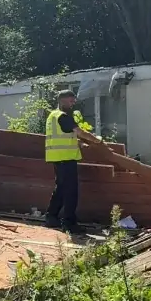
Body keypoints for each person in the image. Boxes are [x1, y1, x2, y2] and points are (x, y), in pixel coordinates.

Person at [44, 89, 98, 232]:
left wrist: (79, 144)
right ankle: (69, 224)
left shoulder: (52, 116)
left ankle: (51, 217)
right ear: (62, 100)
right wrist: (97, 141)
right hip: (66, 159)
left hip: (57, 158)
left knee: (61, 189)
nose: (73, 103)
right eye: (70, 100)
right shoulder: (64, 116)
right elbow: (80, 132)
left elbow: (65, 136)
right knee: (70, 192)